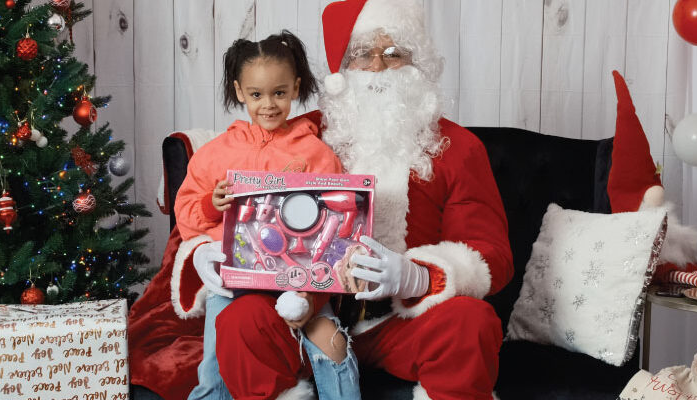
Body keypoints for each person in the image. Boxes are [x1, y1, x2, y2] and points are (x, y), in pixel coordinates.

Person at [182, 0, 514, 399]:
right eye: (361, 54)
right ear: (342, 70)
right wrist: (203, 250)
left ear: (418, 64)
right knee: (241, 319)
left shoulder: (459, 148)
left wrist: (416, 275)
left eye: (394, 54)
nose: (376, 66)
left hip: (401, 321)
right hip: (307, 314)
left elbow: (490, 252)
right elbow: (228, 191)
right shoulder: (303, 137)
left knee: (471, 321)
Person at [174, 30, 360, 400]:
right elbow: (187, 214)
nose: (269, 105)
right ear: (240, 91)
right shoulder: (216, 153)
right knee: (213, 368)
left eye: (279, 92)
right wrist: (214, 205)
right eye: (257, 95)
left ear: (296, 87)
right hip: (233, 282)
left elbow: (340, 223)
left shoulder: (316, 153)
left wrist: (310, 294)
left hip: (299, 278)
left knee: (330, 343)